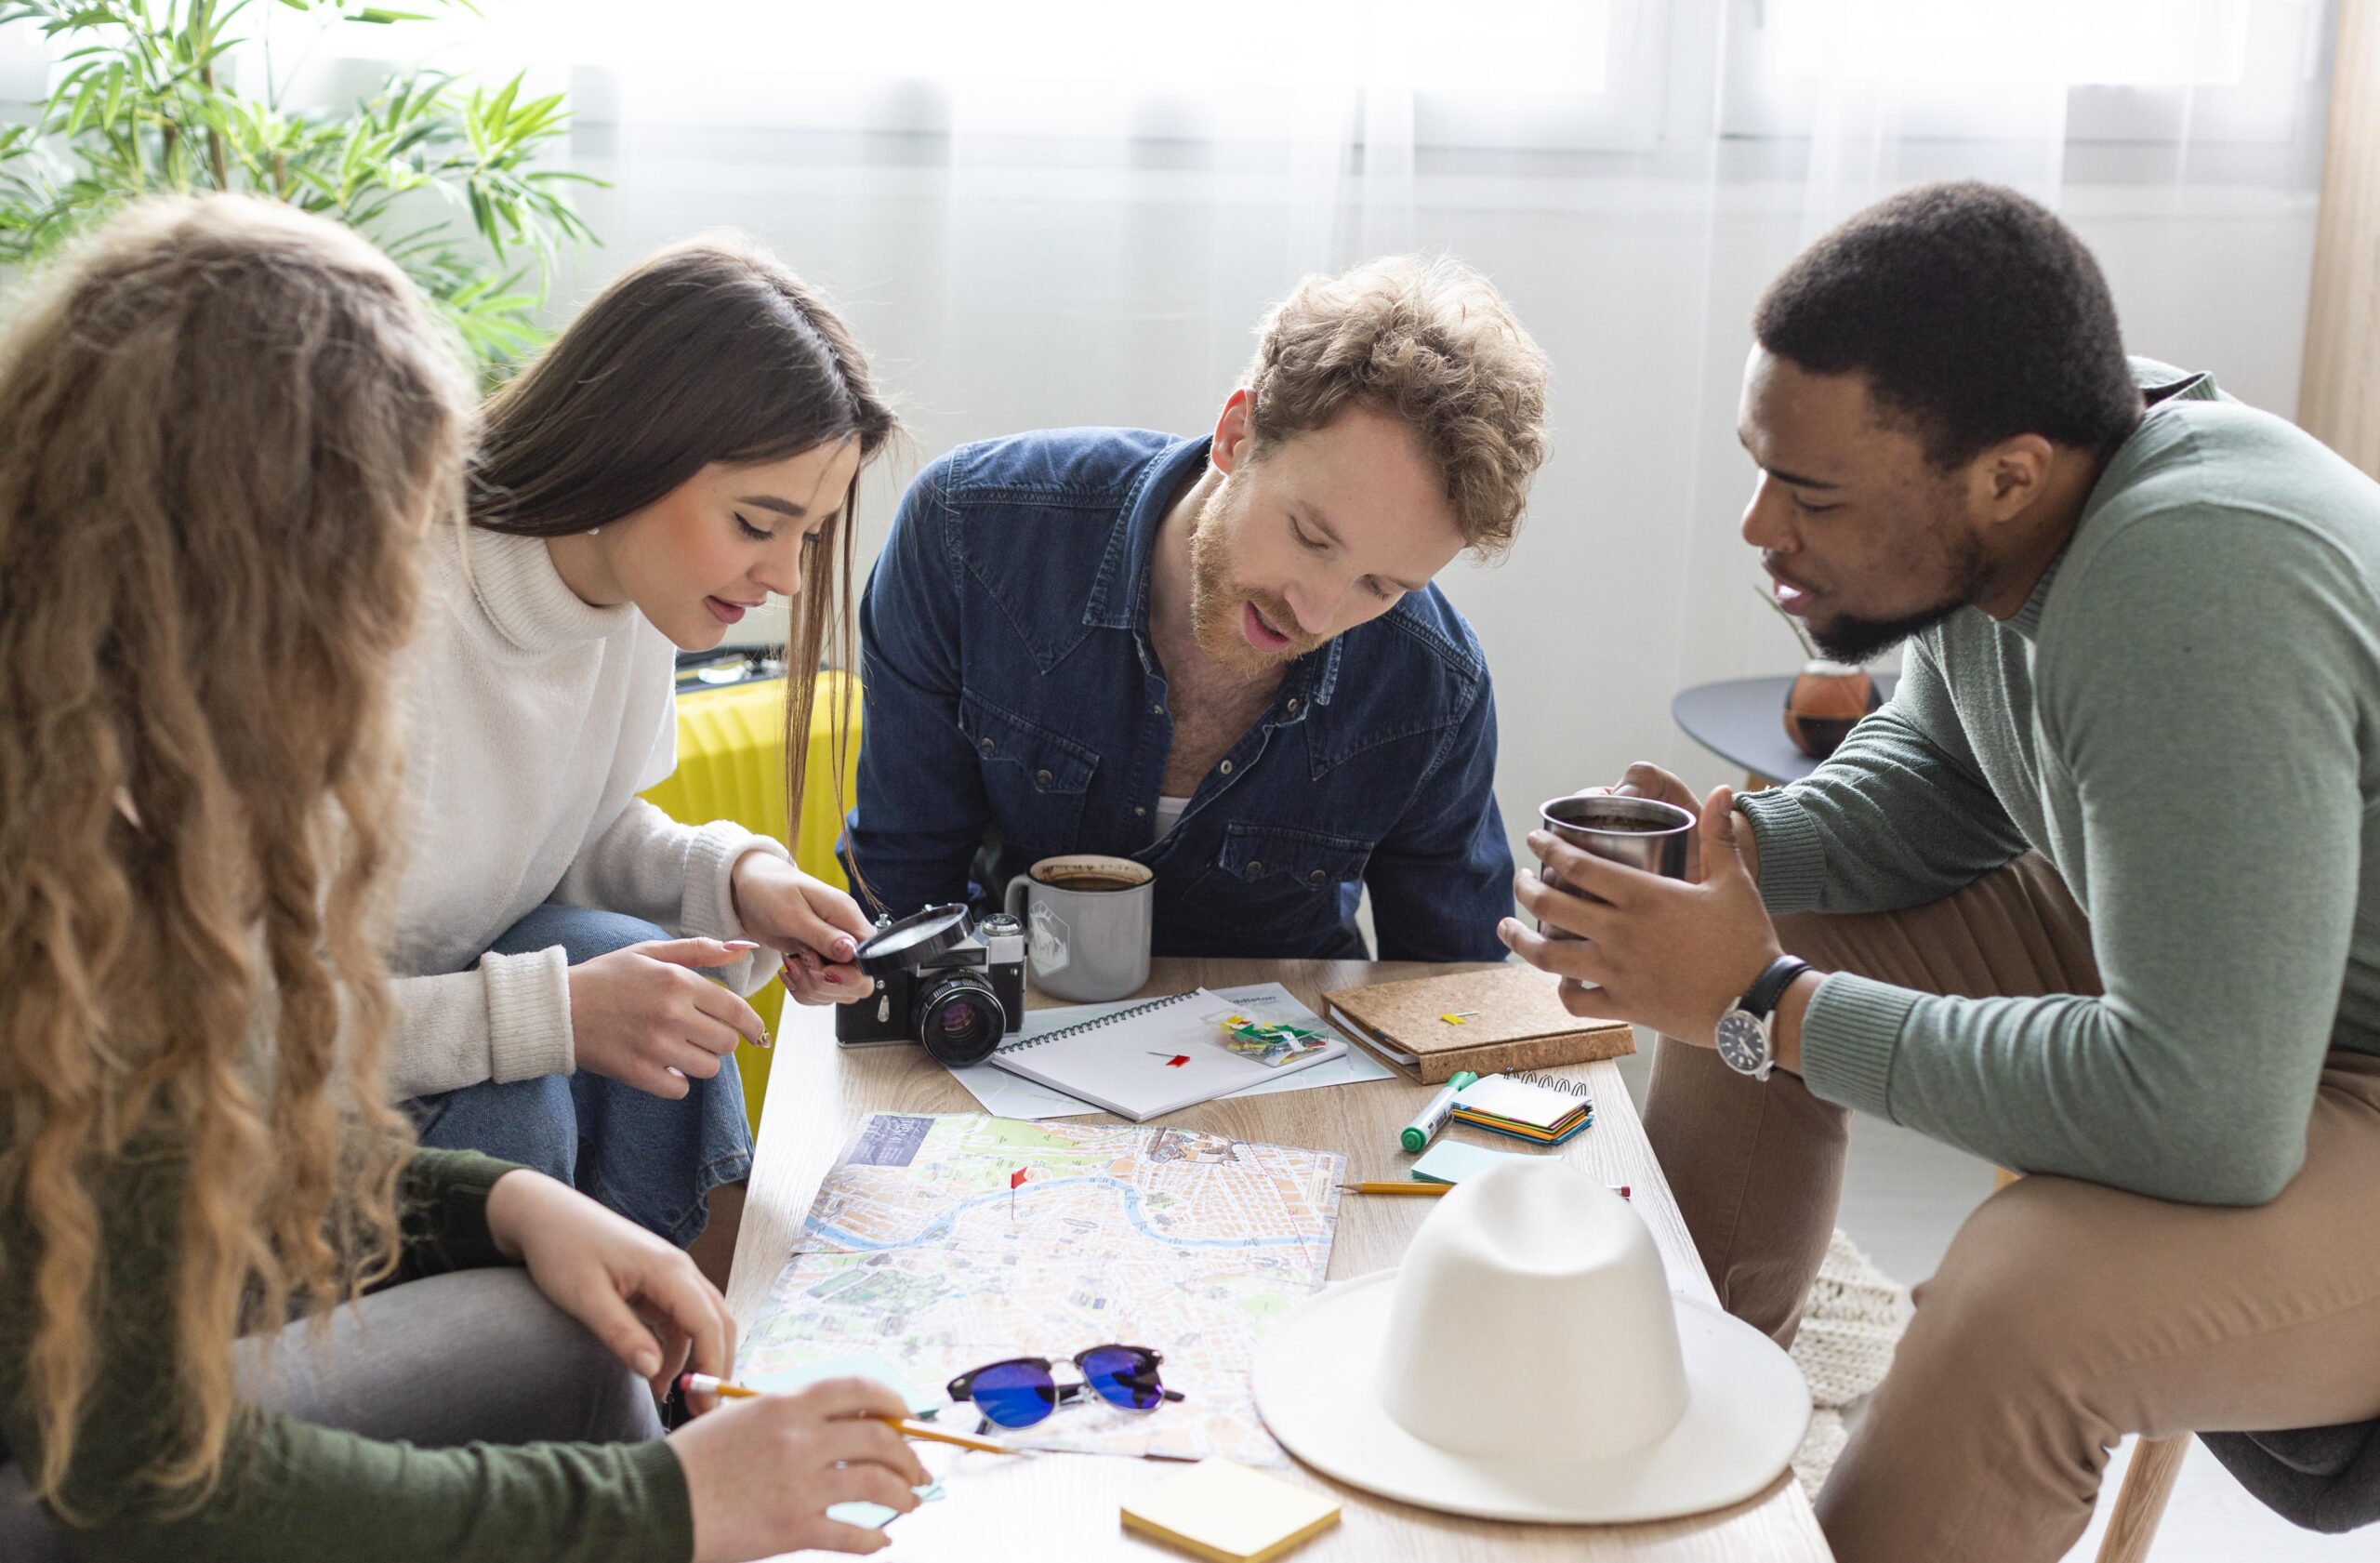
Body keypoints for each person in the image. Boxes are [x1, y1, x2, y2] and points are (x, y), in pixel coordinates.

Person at [0, 196, 928, 1561]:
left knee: (560, 1293)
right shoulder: (88, 861)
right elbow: (150, 1470)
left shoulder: (108, 782)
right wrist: (660, 1509)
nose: (389, 623)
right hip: (77, 1463)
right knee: (557, 1285)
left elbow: (169, 1153)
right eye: (376, 568)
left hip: (114, 1341)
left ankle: (688, 1371)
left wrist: (489, 1201)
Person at [1502, 181, 2380, 1561]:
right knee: (1763, 911)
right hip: (2251, 1000)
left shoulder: (2195, 580)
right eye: (1759, 466)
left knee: (2025, 1301)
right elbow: (1939, 788)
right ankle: (1657, 1452)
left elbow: (2212, 1115)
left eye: (1811, 494)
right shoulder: (2042, 485)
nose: (1757, 527)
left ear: (2008, 475)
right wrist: (1728, 869)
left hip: (2316, 1081)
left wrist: (1764, 1002)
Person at [389, 235, 896, 1277]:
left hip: (423, 1027)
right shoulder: (390, 615)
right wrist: (550, 1014)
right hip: (277, 1105)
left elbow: (563, 824)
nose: (789, 581)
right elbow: (232, 1032)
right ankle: (588, 1406)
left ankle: (695, 1357)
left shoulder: (633, 600)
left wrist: (732, 879)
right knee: (530, 1083)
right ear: (634, 445)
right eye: (761, 523)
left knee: (635, 966)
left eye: (808, 537)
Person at [841, 255, 1550, 960]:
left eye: (1381, 586)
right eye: (1310, 537)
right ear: (1236, 435)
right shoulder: (970, 536)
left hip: (1292, 1051)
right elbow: (904, 896)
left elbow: (1455, 991)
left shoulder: (1434, 687)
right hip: (1012, 1019)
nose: (1316, 612)